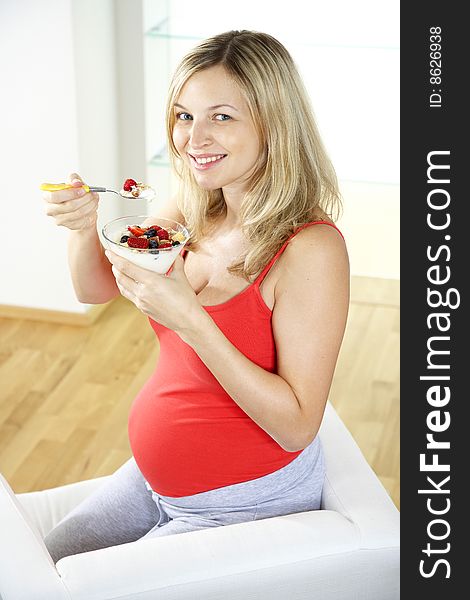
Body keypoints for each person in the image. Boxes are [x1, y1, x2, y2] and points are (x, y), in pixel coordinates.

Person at [42, 30, 349, 563]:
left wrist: (192, 320)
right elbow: (92, 289)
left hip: (244, 499)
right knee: (45, 564)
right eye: (184, 115)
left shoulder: (310, 249)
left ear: (274, 123)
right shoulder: (194, 211)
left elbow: (298, 425)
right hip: (156, 482)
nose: (193, 138)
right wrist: (83, 227)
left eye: (221, 116)